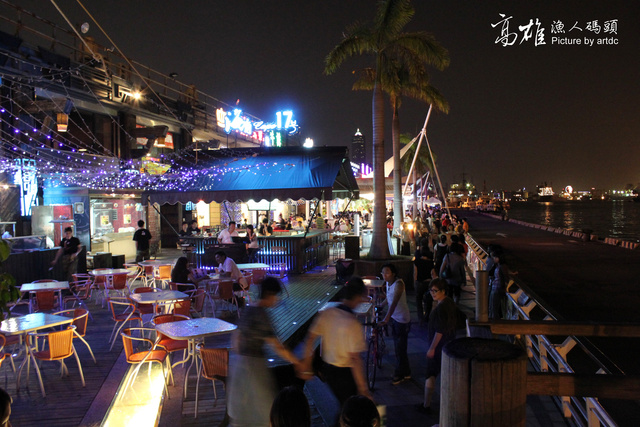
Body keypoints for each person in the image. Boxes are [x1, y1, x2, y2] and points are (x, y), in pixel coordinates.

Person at [228, 277, 303, 427]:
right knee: (265, 407)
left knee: (242, 409)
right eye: (276, 296)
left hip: (239, 363)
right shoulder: (261, 315)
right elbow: (277, 346)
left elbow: (235, 339)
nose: (277, 300)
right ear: (269, 294)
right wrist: (297, 362)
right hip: (254, 364)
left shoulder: (249, 308)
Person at [301, 278, 372, 408]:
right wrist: (363, 388)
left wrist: (307, 363)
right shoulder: (352, 323)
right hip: (345, 373)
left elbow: (310, 338)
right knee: (349, 408)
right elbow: (355, 358)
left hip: (329, 370)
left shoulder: (327, 313)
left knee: (344, 405)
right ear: (358, 297)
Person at [417, 278, 457, 414]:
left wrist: (432, 348)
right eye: (431, 290)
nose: (432, 293)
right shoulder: (449, 303)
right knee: (442, 373)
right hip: (448, 344)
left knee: (431, 374)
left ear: (443, 291)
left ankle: (426, 405)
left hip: (439, 346)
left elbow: (439, 331)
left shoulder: (441, 308)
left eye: (435, 291)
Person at [380, 264, 411, 385]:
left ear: (393, 273)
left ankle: (399, 374)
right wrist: (380, 305)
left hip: (402, 319)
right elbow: (388, 298)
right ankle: (406, 372)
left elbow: (394, 302)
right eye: (382, 273)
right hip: (395, 318)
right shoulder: (389, 283)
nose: (384, 275)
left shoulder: (399, 284)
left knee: (400, 348)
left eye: (387, 272)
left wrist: (386, 318)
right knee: (399, 347)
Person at [414, 239, 435, 324]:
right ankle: (427, 316)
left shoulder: (417, 262)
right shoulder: (430, 262)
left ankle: (420, 318)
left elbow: (415, 273)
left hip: (419, 282)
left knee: (419, 301)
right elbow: (433, 274)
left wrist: (414, 282)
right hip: (429, 282)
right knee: (429, 300)